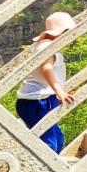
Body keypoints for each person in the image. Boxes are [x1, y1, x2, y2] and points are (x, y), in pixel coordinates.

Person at [17, 12, 76, 154]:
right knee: (49, 145)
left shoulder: (43, 45)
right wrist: (59, 91)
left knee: (57, 140)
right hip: (38, 102)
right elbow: (46, 69)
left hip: (39, 100)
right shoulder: (47, 48)